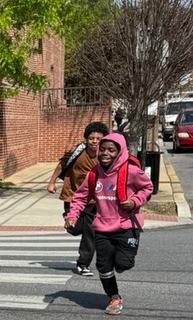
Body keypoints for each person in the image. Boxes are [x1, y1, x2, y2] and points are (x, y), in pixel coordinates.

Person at [64, 132, 151, 316]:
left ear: (119, 152)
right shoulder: (93, 175)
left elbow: (147, 187)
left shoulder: (131, 171)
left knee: (123, 263)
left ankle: (120, 263)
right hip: (102, 227)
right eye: (102, 149)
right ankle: (113, 297)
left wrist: (135, 201)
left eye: (111, 150)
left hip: (127, 225)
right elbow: (80, 197)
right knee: (103, 267)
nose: (105, 153)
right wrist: (72, 215)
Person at [45, 121, 108, 277]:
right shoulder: (78, 151)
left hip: (94, 200)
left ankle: (83, 264)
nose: (95, 141)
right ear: (86, 139)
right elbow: (62, 165)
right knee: (75, 229)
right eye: (91, 138)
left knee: (90, 232)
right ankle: (68, 220)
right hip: (73, 196)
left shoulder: (105, 155)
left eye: (99, 138)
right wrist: (52, 182)